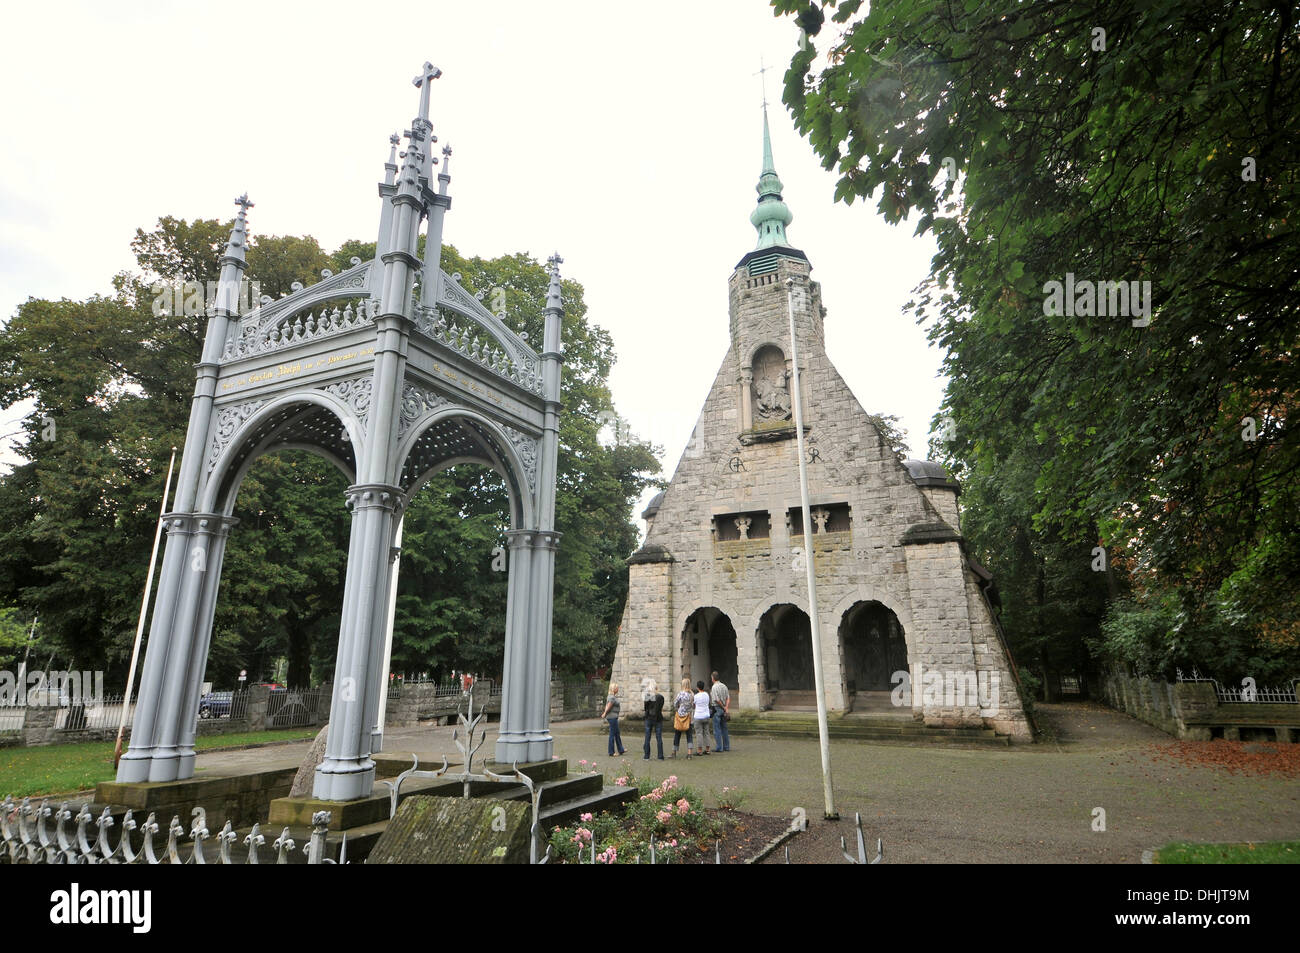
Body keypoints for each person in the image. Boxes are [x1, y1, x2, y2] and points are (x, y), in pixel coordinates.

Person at [642, 679, 665, 760]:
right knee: (659, 737)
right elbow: (661, 707)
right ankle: (660, 756)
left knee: (647, 737)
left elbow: (645, 708)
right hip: (658, 718)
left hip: (649, 718)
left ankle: (646, 756)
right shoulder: (661, 697)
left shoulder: (648, 697)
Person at [671, 677, 694, 758]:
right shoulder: (692, 694)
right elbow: (693, 705)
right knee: (689, 735)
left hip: (680, 716)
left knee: (677, 734)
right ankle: (689, 754)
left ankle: (674, 753)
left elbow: (675, 704)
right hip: (689, 716)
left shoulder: (681, 694)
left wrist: (678, 709)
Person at [601, 682, 625, 757]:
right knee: (612, 734)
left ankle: (621, 749)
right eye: (616, 688)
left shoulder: (611, 696)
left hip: (613, 717)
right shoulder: (612, 697)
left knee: (617, 733)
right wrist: (605, 713)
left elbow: (607, 706)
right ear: (613, 689)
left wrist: (605, 713)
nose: (618, 689)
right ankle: (611, 752)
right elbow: (608, 706)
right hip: (612, 718)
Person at [710, 670, 731, 752]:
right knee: (724, 728)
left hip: (717, 708)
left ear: (713, 678)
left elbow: (716, 700)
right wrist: (726, 707)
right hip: (723, 709)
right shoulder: (724, 686)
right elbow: (728, 698)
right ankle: (726, 746)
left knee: (717, 729)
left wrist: (723, 706)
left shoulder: (714, 687)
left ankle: (719, 747)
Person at [693, 679, 713, 755]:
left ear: (697, 687)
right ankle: (707, 749)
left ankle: (699, 750)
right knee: (706, 733)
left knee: (699, 733)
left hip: (698, 716)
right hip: (706, 715)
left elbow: (694, 705)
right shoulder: (707, 695)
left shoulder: (696, 696)